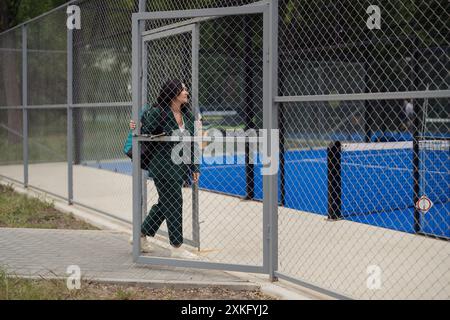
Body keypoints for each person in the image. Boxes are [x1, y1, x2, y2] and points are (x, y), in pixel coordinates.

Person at [129, 79, 201, 257]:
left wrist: (195, 167)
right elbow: (145, 131)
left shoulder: (188, 116)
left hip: (180, 167)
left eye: (186, 90)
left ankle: (140, 235)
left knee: (166, 203)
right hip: (162, 166)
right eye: (183, 90)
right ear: (174, 93)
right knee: (175, 202)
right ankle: (176, 247)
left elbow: (193, 144)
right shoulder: (157, 112)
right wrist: (136, 126)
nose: (186, 93)